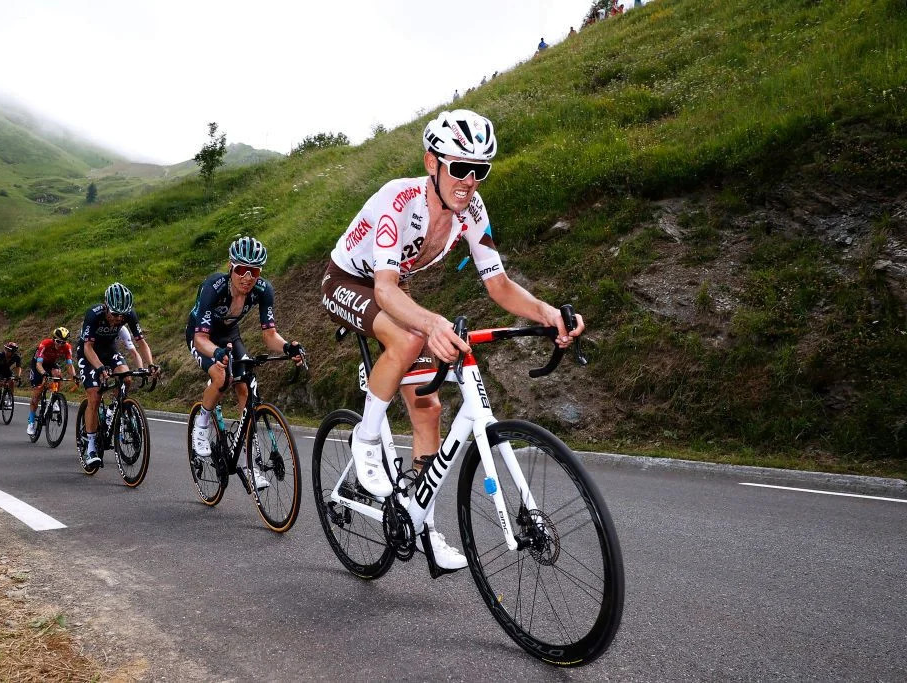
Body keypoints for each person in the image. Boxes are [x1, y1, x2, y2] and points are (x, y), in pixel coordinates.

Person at [320, 109, 584, 568]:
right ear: (432, 163)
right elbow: (382, 289)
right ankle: (365, 441)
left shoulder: (473, 212)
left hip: (391, 286)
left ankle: (421, 525)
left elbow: (498, 284)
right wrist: (430, 324)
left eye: (479, 170)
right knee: (406, 340)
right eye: (460, 167)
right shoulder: (398, 201)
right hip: (348, 280)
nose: (469, 180)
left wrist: (545, 312)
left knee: (430, 408)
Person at [187, 237, 304, 487]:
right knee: (222, 377)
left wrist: (286, 346)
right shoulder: (214, 287)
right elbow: (200, 338)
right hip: (202, 335)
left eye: (255, 271)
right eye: (242, 269)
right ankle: (202, 424)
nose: (248, 277)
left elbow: (269, 335)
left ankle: (250, 462)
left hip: (230, 335)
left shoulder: (263, 290)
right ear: (231, 267)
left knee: (247, 388)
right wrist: (216, 354)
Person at [77, 283, 159, 467]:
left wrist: (150, 364)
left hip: (109, 349)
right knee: (95, 394)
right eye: (115, 314)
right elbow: (87, 347)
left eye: (122, 315)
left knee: (126, 377)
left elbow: (141, 343)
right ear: (106, 306)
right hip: (89, 352)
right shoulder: (94, 314)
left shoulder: (128, 314)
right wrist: (99, 368)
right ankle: (90, 446)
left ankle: (113, 410)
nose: (119, 318)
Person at [28, 327, 78, 436]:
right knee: (37, 394)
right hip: (38, 364)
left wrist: (74, 376)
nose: (60, 344)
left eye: (63, 342)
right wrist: (43, 373)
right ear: (53, 339)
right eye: (58, 341)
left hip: (50, 363)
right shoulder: (45, 344)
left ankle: (54, 398)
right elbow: (38, 364)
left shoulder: (67, 347)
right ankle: (31, 422)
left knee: (57, 374)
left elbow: (70, 365)